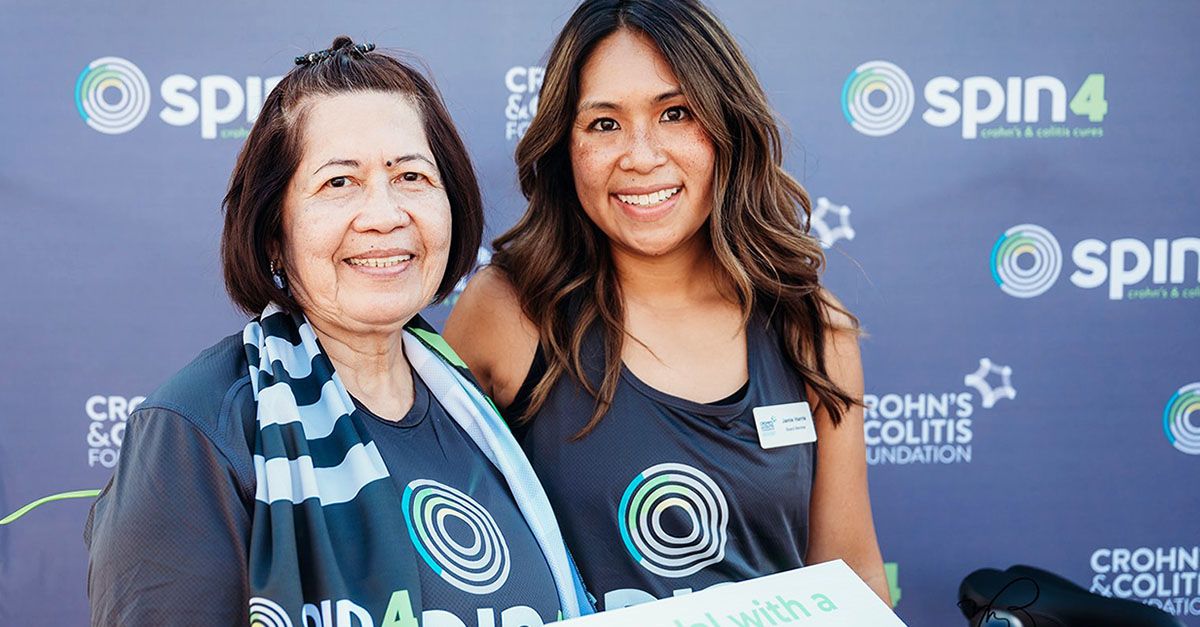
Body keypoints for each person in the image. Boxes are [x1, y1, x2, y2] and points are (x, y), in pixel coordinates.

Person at [85, 36, 588, 626]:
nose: (385, 215)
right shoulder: (195, 432)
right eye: (339, 183)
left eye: (411, 176)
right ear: (274, 233)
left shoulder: (473, 412)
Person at [445, 0, 890, 610]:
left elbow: (853, 578)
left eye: (675, 114)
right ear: (565, 145)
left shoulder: (812, 328)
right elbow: (440, 550)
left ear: (726, 125)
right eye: (604, 124)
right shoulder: (509, 313)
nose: (642, 155)